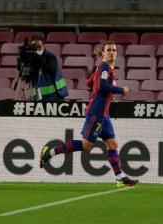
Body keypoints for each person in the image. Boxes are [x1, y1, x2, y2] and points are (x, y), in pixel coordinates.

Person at [39, 41, 138, 188]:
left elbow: (89, 82)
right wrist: (120, 90)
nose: (112, 52)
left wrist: (107, 94)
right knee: (86, 146)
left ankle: (120, 177)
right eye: (109, 50)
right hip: (97, 112)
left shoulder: (106, 68)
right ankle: (50, 153)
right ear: (103, 53)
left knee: (112, 143)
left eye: (114, 50)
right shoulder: (104, 67)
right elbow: (103, 86)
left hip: (104, 114)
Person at [29, 36, 68, 102]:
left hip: (54, 96)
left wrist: (36, 57)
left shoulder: (50, 56)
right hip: (36, 97)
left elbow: (50, 68)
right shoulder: (31, 59)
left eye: (39, 47)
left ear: (44, 45)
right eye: (35, 47)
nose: (37, 49)